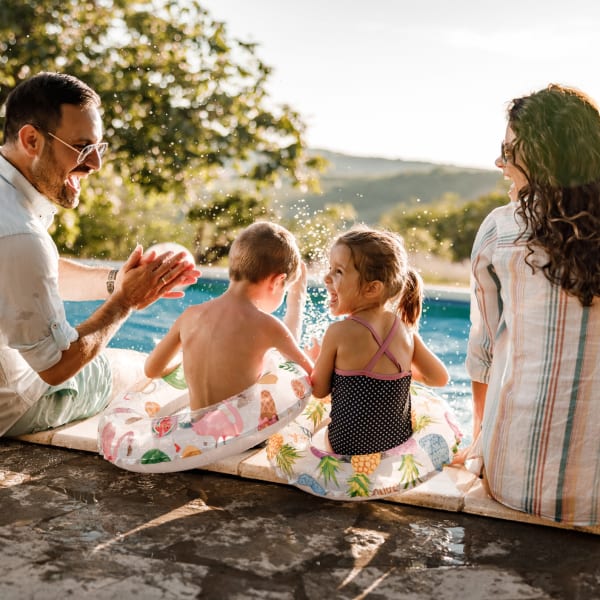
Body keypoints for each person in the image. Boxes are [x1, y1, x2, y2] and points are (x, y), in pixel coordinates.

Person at [0, 72, 199, 437]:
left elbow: (32, 274)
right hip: (13, 402)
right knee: (141, 370)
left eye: (98, 148)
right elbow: (56, 367)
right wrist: (125, 301)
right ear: (31, 140)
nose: (94, 165)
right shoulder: (20, 235)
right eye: (82, 148)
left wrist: (115, 282)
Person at [462, 84, 600, 526]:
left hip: (516, 481)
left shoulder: (502, 229)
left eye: (507, 152)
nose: (499, 164)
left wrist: (478, 440)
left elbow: (482, 354)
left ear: (540, 157)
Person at [308, 226, 449, 455]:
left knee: (314, 423)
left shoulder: (338, 332)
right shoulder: (406, 331)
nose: (326, 277)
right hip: (395, 447)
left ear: (372, 288)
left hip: (345, 447)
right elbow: (439, 378)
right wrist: (401, 372)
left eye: (339, 272)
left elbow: (319, 390)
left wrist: (317, 361)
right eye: (330, 269)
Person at [144, 221, 313, 411]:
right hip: (242, 439)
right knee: (279, 366)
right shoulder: (268, 326)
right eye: (286, 289)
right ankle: (297, 301)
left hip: (194, 435)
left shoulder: (190, 316)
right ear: (277, 281)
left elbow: (152, 369)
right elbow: (312, 378)